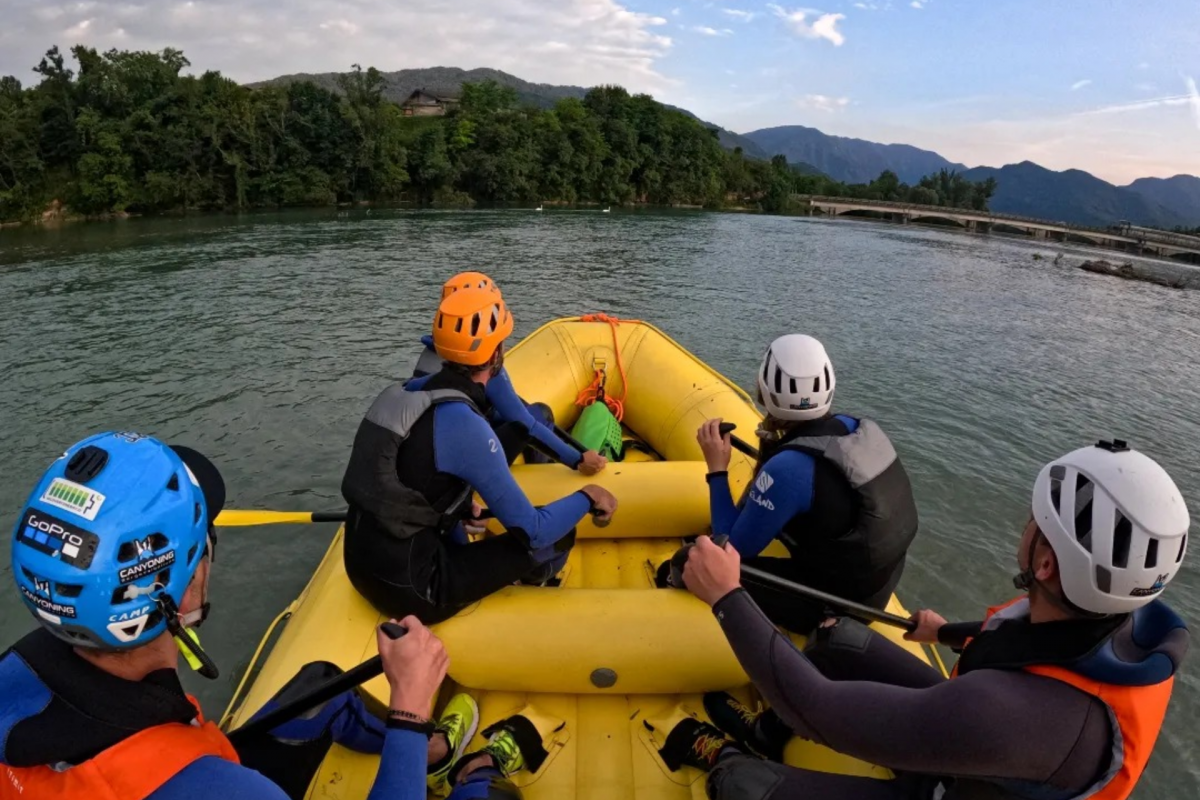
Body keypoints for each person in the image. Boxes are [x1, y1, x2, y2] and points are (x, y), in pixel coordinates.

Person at [0, 432, 561, 800]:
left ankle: (439, 753)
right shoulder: (225, 793)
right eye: (207, 539)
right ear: (191, 583)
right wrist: (411, 709)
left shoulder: (16, 670)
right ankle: (474, 771)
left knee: (323, 689)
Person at [659, 439, 1189, 800]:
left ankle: (728, 754)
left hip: (952, 779)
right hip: (975, 763)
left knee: (741, 785)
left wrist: (727, 595)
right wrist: (945, 633)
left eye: (1035, 523)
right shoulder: (1108, 616)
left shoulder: (1009, 716)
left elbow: (817, 711)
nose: (1025, 526)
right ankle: (763, 733)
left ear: (1045, 564)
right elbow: (1033, 645)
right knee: (837, 639)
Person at [342, 286, 618, 623]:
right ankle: (535, 581)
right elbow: (533, 531)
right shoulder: (464, 423)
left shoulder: (402, 393)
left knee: (470, 517)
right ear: (498, 351)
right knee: (558, 534)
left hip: (358, 568)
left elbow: (411, 476)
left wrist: (456, 507)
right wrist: (589, 497)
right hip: (414, 592)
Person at [694, 334, 918, 632]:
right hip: (876, 587)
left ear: (764, 389)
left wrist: (717, 468)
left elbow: (731, 550)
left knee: (688, 564)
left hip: (833, 604)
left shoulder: (788, 468)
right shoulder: (852, 428)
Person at [411, 271, 607, 476]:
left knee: (524, 413)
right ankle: (545, 476)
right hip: (465, 464)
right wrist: (578, 459)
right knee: (540, 413)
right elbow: (525, 423)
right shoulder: (483, 365)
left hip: (434, 454)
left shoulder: (429, 361)